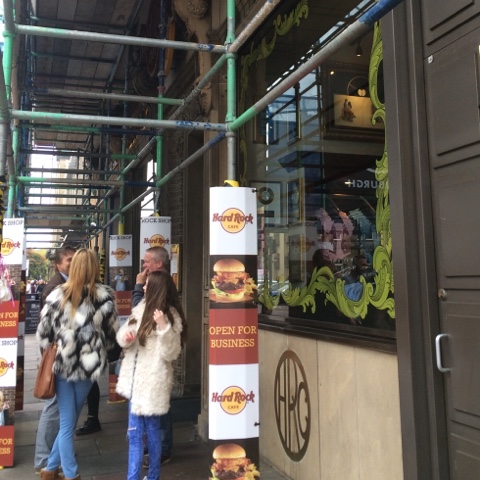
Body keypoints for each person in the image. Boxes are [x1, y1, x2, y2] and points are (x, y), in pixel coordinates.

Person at [36, 248, 118, 480]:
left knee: (67, 422)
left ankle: (50, 469)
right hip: (88, 367)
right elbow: (111, 337)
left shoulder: (57, 295)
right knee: (68, 423)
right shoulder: (104, 297)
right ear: (94, 268)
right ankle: (71, 474)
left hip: (63, 364)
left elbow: (43, 336)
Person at [116, 270, 185, 480]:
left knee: (151, 431)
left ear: (157, 289)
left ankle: (151, 476)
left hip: (153, 382)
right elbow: (123, 336)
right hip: (135, 380)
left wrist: (164, 327)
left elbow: (171, 353)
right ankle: (135, 477)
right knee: (135, 433)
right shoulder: (140, 309)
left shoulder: (171, 316)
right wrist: (127, 337)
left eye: (147, 284)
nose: (143, 287)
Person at [34, 245, 76, 475]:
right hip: (56, 356)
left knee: (60, 411)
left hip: (62, 355)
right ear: (58, 264)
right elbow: (48, 327)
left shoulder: (67, 283)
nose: (73, 262)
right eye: (69, 260)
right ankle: (43, 460)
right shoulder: (55, 287)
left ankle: (52, 458)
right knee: (52, 407)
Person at [132, 246, 174, 466]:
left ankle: (163, 449)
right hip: (150, 356)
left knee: (160, 405)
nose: (144, 265)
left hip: (157, 356)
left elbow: (139, 311)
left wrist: (138, 287)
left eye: (147, 261)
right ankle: (155, 445)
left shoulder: (162, 284)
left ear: (159, 263)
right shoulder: (157, 281)